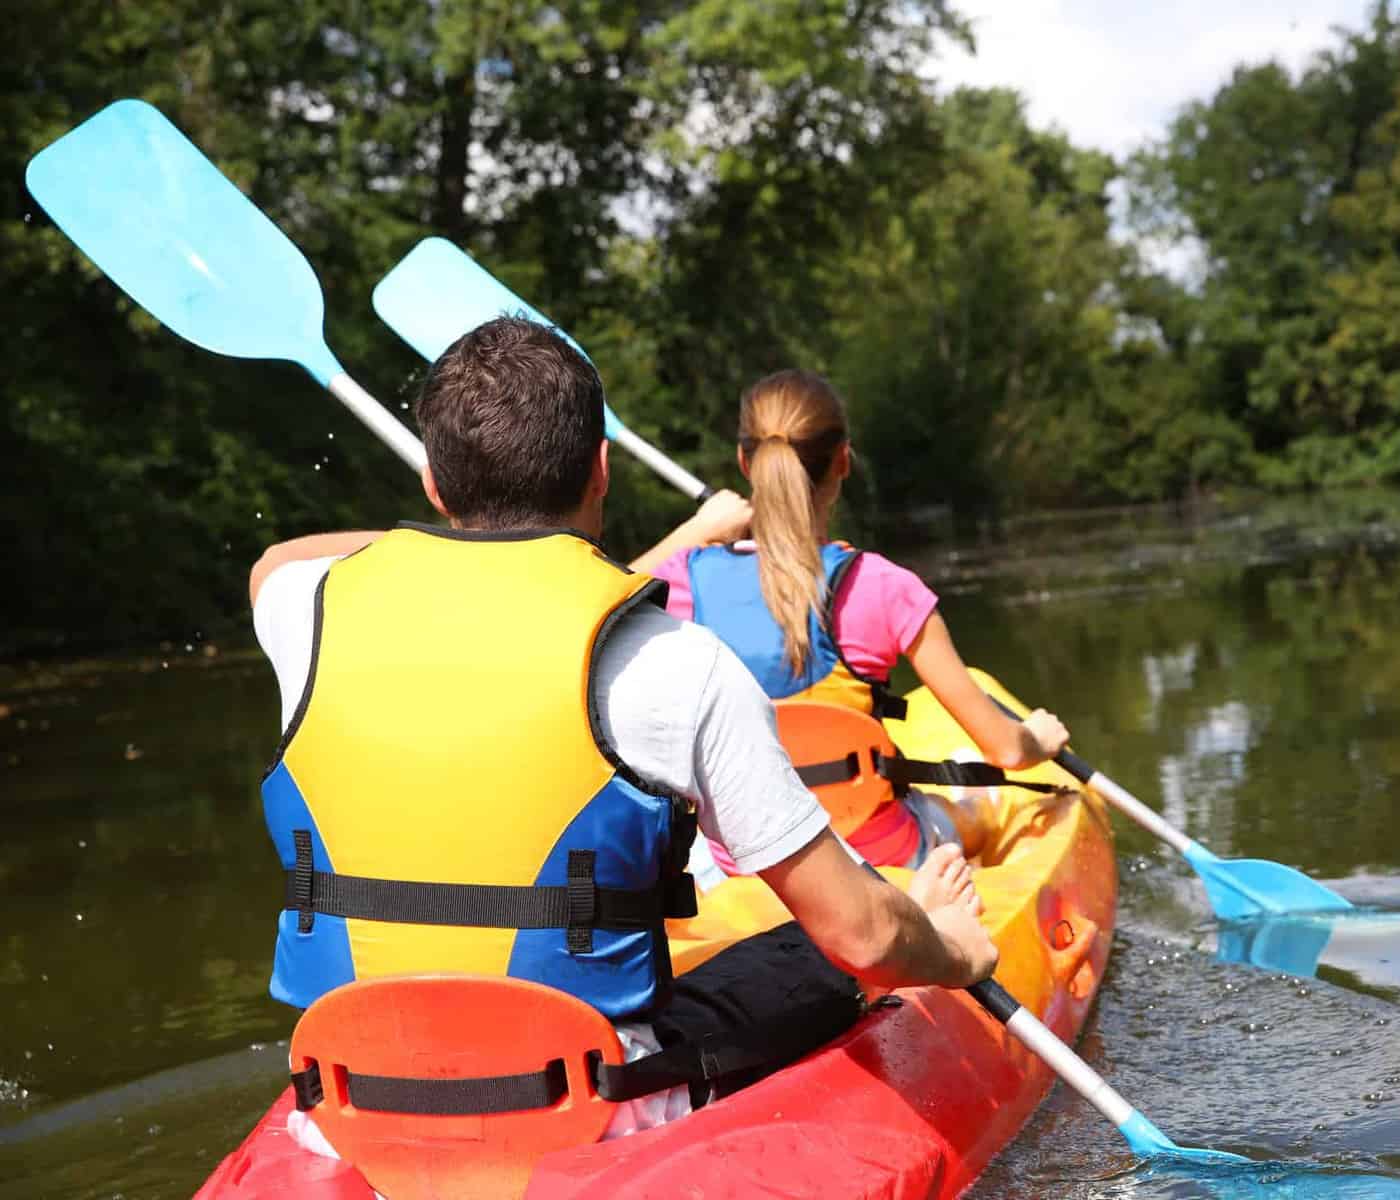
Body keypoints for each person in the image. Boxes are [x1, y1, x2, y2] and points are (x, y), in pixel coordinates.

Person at [247, 317, 996, 1146]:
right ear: (602, 471)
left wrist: (448, 544)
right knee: (825, 955)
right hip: (594, 1116)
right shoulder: (679, 665)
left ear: (434, 487)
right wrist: (956, 952)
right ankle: (931, 910)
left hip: (347, 1104)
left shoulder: (303, 615)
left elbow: (277, 560)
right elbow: (862, 934)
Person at [651, 369, 1071, 870]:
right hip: (875, 856)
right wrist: (1037, 740)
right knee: (974, 807)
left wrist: (695, 530)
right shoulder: (883, 586)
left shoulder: (680, 583)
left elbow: (592, 611)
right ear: (844, 461)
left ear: (746, 462)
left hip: (740, 867)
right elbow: (1005, 750)